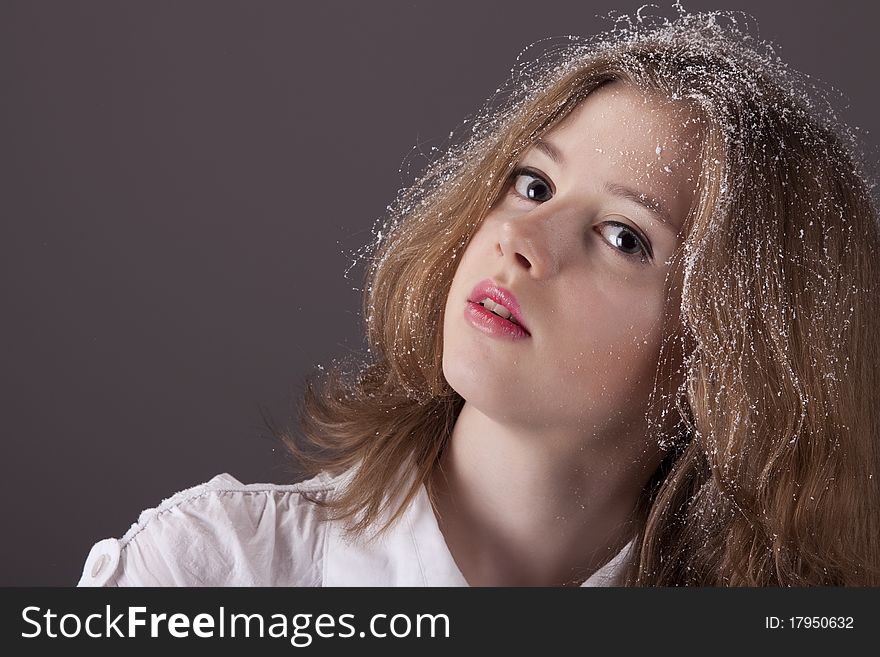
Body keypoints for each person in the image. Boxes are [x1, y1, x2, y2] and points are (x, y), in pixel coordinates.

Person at [78, 8, 880, 587]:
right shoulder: (208, 573)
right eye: (532, 183)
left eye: (624, 236)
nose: (521, 240)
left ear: (731, 361)